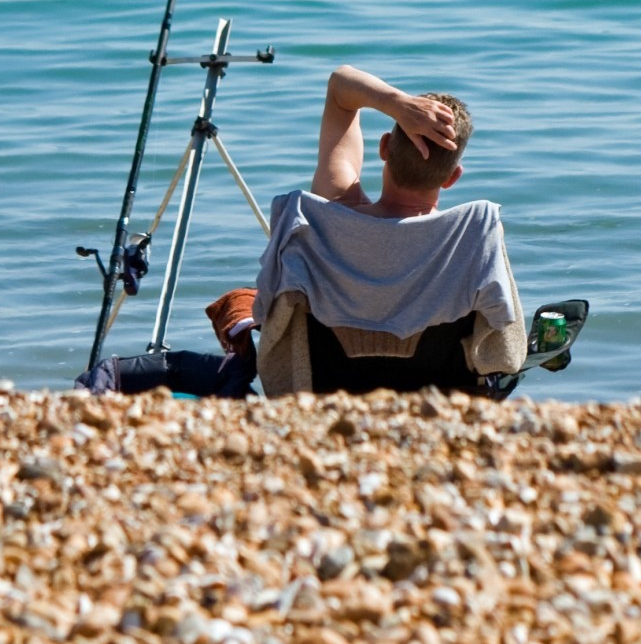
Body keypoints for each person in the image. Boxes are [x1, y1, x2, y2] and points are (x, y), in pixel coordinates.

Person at [77, 64, 521, 398]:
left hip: (324, 400)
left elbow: (341, 88)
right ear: (452, 177)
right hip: (437, 402)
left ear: (385, 147)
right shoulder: (471, 235)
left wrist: (396, 104)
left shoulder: (325, 215)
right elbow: (504, 354)